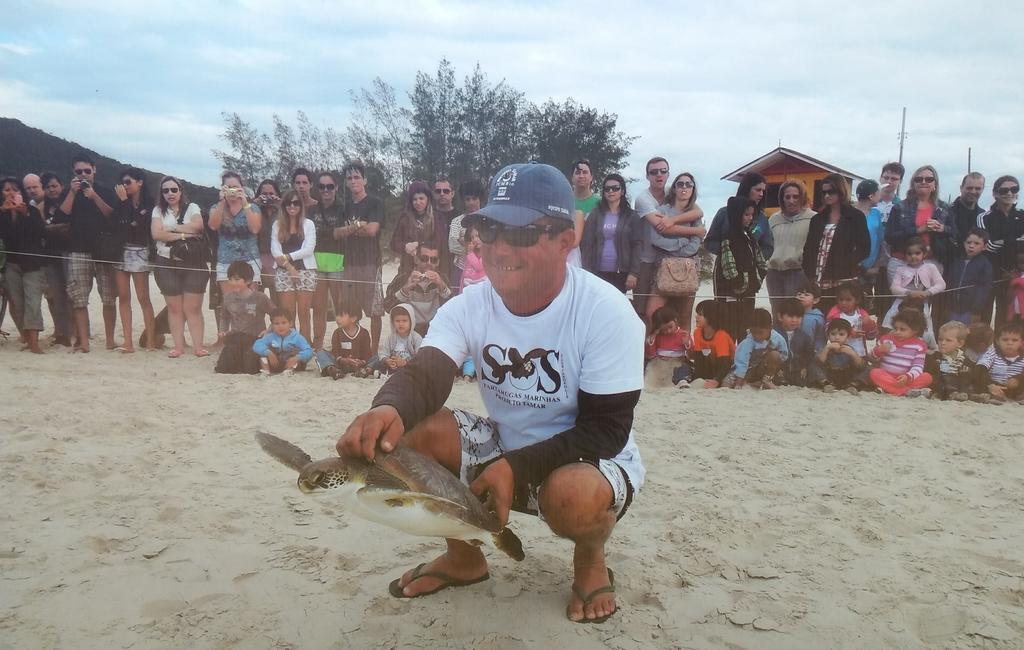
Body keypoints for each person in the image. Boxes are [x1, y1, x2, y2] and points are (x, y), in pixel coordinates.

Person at [336, 162, 644, 624]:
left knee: (572, 496)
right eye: (488, 228)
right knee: (407, 432)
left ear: (566, 241)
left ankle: (590, 559)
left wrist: (516, 468)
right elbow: (426, 376)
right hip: (504, 445)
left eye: (521, 232)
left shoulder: (607, 312)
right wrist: (385, 409)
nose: (499, 246)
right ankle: (464, 558)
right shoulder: (469, 305)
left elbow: (607, 430)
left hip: (589, 460)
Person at [59, 153, 117, 353]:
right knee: (79, 298)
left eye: (87, 171)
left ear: (94, 170)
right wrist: (72, 194)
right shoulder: (69, 192)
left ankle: (110, 340)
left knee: (109, 297)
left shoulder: (105, 191)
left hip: (104, 251)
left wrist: (94, 196)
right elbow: (61, 216)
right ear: (73, 173)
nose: (83, 175)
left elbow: (113, 216)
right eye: (79, 171)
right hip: (78, 249)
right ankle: (84, 342)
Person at [150, 176, 208, 358]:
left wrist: (171, 230)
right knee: (174, 307)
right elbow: (156, 234)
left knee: (193, 308)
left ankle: (198, 346)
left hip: (192, 261)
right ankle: (179, 346)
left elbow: (198, 226)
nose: (170, 193)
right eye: (165, 190)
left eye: (173, 189)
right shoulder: (158, 210)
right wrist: (184, 233)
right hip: (166, 261)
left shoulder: (192, 207)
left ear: (180, 191)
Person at [645, 172, 705, 331]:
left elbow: (697, 241)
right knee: (651, 314)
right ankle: (652, 351)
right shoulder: (662, 210)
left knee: (684, 317)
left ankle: (682, 354)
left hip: (687, 269)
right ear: (674, 188)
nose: (684, 187)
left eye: (688, 184)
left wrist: (680, 251)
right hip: (663, 269)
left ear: (693, 189)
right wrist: (680, 242)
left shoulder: (695, 214)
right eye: (680, 184)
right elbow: (655, 239)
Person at [801, 174, 870, 312]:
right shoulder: (817, 219)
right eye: (824, 192)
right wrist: (809, 273)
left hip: (844, 278)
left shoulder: (856, 216)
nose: (827, 195)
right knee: (820, 315)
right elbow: (809, 248)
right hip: (818, 277)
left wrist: (847, 263)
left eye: (831, 191)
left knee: (840, 319)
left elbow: (864, 248)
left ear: (840, 191)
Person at [341, 162, 386, 352]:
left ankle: (374, 348)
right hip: (349, 262)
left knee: (374, 310)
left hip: (370, 261)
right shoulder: (344, 206)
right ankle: (355, 347)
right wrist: (360, 226)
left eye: (357, 177)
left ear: (364, 180)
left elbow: (373, 230)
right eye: (350, 178)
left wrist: (353, 228)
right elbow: (340, 233)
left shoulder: (375, 203)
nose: (353, 181)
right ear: (346, 181)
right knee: (351, 309)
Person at [112, 167, 156, 352]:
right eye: (123, 182)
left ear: (140, 182)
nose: (125, 186)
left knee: (143, 297)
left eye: (128, 182)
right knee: (123, 296)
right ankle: (127, 342)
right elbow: (119, 223)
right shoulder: (121, 203)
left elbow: (139, 224)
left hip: (140, 250)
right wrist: (124, 204)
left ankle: (151, 341)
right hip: (121, 250)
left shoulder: (150, 203)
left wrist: (126, 204)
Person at [0, 177, 46, 353]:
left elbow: (40, 232)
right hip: (11, 263)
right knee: (17, 304)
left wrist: (24, 214)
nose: (11, 193)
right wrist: (4, 209)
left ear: (21, 192)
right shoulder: (2, 213)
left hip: (32, 263)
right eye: (6, 190)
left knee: (33, 303)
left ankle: (34, 343)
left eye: (15, 189)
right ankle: (25, 337)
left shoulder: (32, 211)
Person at [885, 165, 956, 273]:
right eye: (918, 179)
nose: (923, 182)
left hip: (932, 262)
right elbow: (889, 237)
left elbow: (955, 233)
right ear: (913, 184)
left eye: (929, 179)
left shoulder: (944, 208)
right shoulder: (899, 207)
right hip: (901, 262)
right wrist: (918, 230)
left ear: (935, 184)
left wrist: (942, 228)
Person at [713, 197, 766, 340]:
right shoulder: (728, 237)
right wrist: (738, 283)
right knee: (728, 330)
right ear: (736, 215)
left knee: (746, 329)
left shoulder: (749, 236)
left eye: (751, 215)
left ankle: (743, 359)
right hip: (731, 295)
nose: (750, 218)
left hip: (748, 295)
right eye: (746, 215)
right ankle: (728, 359)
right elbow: (727, 263)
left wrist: (758, 277)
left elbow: (759, 258)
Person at [580, 174, 642, 293]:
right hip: (597, 271)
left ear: (622, 191)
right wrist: (586, 271)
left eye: (615, 188)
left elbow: (637, 245)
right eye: (607, 189)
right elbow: (587, 244)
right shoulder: (595, 214)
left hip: (621, 272)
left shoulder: (631, 216)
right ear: (603, 192)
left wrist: (634, 273)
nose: (611, 191)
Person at [209, 170, 262, 307]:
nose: (232, 191)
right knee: (230, 305)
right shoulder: (216, 207)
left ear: (241, 188)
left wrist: (245, 202)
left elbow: (255, 228)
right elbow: (213, 226)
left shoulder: (253, 207)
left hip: (250, 262)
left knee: (250, 306)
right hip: (225, 261)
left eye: (235, 187)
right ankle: (232, 329)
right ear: (223, 189)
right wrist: (222, 201)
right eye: (229, 187)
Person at [271, 189, 317, 344]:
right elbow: (275, 251)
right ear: (284, 205)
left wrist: (288, 257)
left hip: (306, 271)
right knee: (288, 314)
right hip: (284, 272)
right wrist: (290, 267)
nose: (292, 206)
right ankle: (291, 345)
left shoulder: (308, 224)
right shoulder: (277, 225)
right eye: (288, 203)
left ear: (301, 206)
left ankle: (306, 345)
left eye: (296, 203)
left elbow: (308, 249)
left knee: (304, 313)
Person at [629, 157, 671, 319]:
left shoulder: (673, 193)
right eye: (654, 172)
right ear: (647, 176)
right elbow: (661, 226)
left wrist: (673, 220)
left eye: (663, 171)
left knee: (671, 311)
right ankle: (643, 344)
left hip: (669, 260)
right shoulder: (643, 199)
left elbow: (698, 211)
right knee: (642, 310)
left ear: (668, 174)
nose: (659, 175)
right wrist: (696, 231)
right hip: (645, 261)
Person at [978, 175, 1023, 324]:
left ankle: (1003, 348)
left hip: (1014, 275)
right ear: (995, 193)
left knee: (1008, 319)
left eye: (1014, 189)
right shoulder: (984, 217)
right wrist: (1015, 241)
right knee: (984, 316)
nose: (1009, 193)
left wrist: (1002, 241)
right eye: (1004, 190)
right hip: (989, 274)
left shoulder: (1022, 216)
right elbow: (987, 246)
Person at [766, 180, 815, 316]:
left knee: (794, 315)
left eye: (795, 196)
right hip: (774, 273)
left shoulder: (812, 218)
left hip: (797, 273)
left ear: (802, 197)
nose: (791, 200)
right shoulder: (773, 219)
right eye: (787, 197)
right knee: (778, 314)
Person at [883, 237, 946, 342]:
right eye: (909, 254)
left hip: (920, 304)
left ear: (924, 254)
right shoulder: (901, 269)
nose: (913, 256)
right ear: (905, 255)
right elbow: (894, 288)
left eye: (917, 253)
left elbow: (941, 284)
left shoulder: (930, 267)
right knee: (894, 329)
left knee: (923, 332)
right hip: (902, 303)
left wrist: (927, 292)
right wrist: (908, 293)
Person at [215, 260, 273, 375]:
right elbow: (224, 317)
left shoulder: (260, 297)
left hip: (255, 338)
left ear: (248, 281)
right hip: (235, 337)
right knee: (223, 369)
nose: (233, 283)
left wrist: (269, 330)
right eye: (230, 279)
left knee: (250, 369)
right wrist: (222, 331)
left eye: (237, 279)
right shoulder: (227, 298)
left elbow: (276, 315)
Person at [383, 242, 452, 336]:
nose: (429, 263)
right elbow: (387, 306)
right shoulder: (403, 278)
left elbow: (453, 309)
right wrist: (405, 288)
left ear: (438, 262)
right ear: (416, 259)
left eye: (434, 260)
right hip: (409, 330)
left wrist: (442, 285)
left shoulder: (442, 278)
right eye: (424, 259)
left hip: (434, 330)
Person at [309, 171, 344, 349]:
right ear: (318, 188)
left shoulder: (343, 208)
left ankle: (343, 341)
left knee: (340, 305)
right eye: (322, 186)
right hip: (316, 261)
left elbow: (345, 235)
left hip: (338, 261)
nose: (326, 190)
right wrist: (332, 234)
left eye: (330, 186)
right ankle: (318, 343)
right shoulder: (311, 210)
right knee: (319, 306)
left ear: (336, 187)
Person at [706, 172, 774, 261]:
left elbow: (768, 247)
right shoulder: (724, 213)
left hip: (752, 270)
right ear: (747, 189)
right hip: (726, 268)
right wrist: (729, 251)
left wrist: (752, 256)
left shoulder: (762, 218)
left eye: (763, 191)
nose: (761, 194)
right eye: (758, 190)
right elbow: (709, 242)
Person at [39, 172, 73, 346]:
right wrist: (54, 228)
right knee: (56, 296)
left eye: (54, 185)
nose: (52, 189)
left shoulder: (71, 200)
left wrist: (51, 227)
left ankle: (78, 331)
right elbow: (40, 229)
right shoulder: (42, 206)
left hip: (69, 252)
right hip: (50, 255)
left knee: (72, 293)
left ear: (61, 185)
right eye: (47, 187)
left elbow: (71, 226)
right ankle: (61, 332)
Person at [869, 308, 932, 397]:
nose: (897, 332)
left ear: (915, 330)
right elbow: (871, 358)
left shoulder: (919, 345)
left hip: (906, 378)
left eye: (902, 329)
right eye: (895, 328)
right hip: (886, 376)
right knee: (874, 373)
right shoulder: (886, 339)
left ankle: (891, 389)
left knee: (927, 377)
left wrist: (908, 377)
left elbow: (918, 367)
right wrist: (878, 350)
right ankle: (906, 391)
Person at [723, 308, 788, 389]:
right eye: (754, 332)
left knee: (775, 355)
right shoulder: (748, 342)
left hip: (765, 369)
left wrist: (774, 368)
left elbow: (784, 356)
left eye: (760, 333)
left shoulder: (778, 339)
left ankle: (767, 380)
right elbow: (742, 362)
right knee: (726, 384)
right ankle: (750, 382)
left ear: (770, 328)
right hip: (748, 370)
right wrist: (738, 383)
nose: (757, 336)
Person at [392, 180, 447, 276]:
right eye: (414, 199)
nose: (418, 202)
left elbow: (440, 243)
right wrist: (405, 247)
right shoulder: (404, 217)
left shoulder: (437, 217)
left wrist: (418, 244)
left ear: (428, 199)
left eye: (421, 198)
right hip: (407, 268)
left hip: (430, 267)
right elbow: (393, 243)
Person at [356, 303, 423, 378]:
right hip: (391, 365)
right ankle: (368, 369)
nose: (401, 324)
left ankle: (380, 373)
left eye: (404, 321)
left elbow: (419, 358)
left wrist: (405, 363)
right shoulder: (390, 337)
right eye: (397, 321)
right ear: (393, 322)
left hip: (407, 366)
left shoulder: (416, 338)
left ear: (411, 321)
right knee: (377, 357)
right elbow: (383, 353)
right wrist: (387, 360)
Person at [874, 162, 905, 318]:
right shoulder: (870, 203)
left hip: (889, 261)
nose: (890, 181)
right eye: (886, 177)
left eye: (894, 178)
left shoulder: (901, 206)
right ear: (880, 178)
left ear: (899, 182)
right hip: (868, 259)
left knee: (884, 302)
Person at [946, 228, 993, 325]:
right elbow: (949, 282)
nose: (971, 246)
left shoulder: (985, 264)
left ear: (984, 246)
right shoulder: (956, 261)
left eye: (976, 243)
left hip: (970, 310)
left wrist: (976, 310)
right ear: (964, 244)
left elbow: (983, 289)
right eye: (968, 242)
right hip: (953, 308)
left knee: (967, 335)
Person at [315, 303, 373, 380]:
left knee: (377, 358)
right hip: (340, 365)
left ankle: (365, 371)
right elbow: (335, 352)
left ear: (353, 318)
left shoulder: (364, 333)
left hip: (359, 366)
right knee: (320, 352)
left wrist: (361, 362)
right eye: (337, 315)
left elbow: (367, 353)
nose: (337, 318)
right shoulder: (337, 333)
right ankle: (333, 370)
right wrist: (344, 360)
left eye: (341, 316)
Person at [972, 320, 1024, 403]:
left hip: (1016, 388)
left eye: (1014, 340)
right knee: (979, 375)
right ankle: (990, 397)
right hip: (994, 386)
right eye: (1005, 340)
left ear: (1021, 342)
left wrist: (1018, 380)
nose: (1009, 343)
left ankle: (1020, 398)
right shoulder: (992, 353)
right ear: (997, 341)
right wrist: (990, 385)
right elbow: (980, 368)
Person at [811, 319, 867, 393]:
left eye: (841, 334)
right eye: (833, 334)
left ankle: (853, 385)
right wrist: (827, 349)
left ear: (848, 337)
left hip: (846, 377)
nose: (837, 337)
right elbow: (819, 363)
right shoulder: (826, 348)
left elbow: (860, 366)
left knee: (867, 367)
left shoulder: (849, 349)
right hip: (829, 377)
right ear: (828, 336)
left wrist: (853, 354)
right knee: (812, 365)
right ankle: (826, 384)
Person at [253, 307, 314, 376]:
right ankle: (266, 372)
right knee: (263, 356)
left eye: (284, 323)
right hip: (276, 363)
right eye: (276, 324)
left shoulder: (297, 337)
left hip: (292, 363)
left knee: (296, 355)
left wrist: (297, 357)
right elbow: (257, 344)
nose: (280, 326)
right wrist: (268, 353)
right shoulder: (271, 336)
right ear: (272, 325)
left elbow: (309, 351)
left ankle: (289, 371)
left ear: (290, 324)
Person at [688, 300, 734, 388]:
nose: (696, 316)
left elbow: (725, 363)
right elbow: (699, 358)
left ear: (712, 317)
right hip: (710, 364)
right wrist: (698, 377)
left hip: (728, 367)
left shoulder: (721, 336)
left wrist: (716, 380)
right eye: (697, 313)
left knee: (726, 382)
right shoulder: (697, 333)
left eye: (700, 315)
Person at [449, 180, 485, 290]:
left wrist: (463, 240)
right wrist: (475, 247)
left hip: (485, 268)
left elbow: (491, 243)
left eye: (474, 198)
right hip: (462, 269)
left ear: (480, 199)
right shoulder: (457, 221)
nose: (471, 202)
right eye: (467, 199)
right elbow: (452, 246)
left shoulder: (487, 219)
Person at [826, 281, 878, 359]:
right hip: (839, 353)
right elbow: (827, 332)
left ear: (857, 300)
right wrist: (849, 333)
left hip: (860, 353)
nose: (844, 303)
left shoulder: (862, 314)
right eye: (841, 299)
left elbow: (871, 336)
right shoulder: (834, 314)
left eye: (848, 300)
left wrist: (869, 324)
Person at [643, 306, 692, 387]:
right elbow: (650, 355)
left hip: (677, 362)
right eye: (664, 329)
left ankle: (682, 381)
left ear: (675, 321)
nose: (668, 331)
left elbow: (691, 355)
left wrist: (687, 344)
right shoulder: (657, 336)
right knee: (650, 369)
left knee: (684, 368)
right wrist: (652, 340)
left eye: (670, 327)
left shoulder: (683, 334)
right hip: (659, 362)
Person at [926, 321, 972, 401]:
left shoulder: (964, 359)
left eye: (948, 340)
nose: (942, 343)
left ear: (960, 343)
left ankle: (966, 395)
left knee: (966, 374)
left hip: (958, 386)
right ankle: (949, 394)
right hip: (940, 385)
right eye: (940, 339)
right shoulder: (934, 357)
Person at [774, 298, 813, 387]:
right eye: (790, 316)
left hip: (797, 369)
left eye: (798, 317)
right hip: (780, 369)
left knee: (803, 380)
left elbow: (809, 354)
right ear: (780, 317)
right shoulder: (774, 334)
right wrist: (776, 369)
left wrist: (805, 367)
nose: (794, 320)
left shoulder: (804, 336)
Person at [253, 179, 281, 300]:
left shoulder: (283, 211)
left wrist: (281, 207)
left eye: (271, 194)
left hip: (277, 259)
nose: (268, 197)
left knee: (278, 303)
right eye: (264, 194)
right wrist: (254, 205)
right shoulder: (254, 210)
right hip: (258, 258)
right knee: (255, 302)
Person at [855, 180, 884, 289]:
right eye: (878, 193)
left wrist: (876, 265)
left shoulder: (876, 214)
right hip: (853, 269)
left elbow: (880, 241)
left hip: (872, 268)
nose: (880, 196)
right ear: (871, 196)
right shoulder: (849, 214)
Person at [569, 159, 598, 268]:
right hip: (571, 258)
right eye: (577, 173)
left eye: (585, 172)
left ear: (591, 177)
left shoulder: (600, 203)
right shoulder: (564, 201)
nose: (581, 176)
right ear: (572, 178)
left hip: (593, 257)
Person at [951, 172, 986, 250]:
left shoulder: (984, 216)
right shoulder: (948, 213)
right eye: (969, 188)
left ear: (983, 189)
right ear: (961, 188)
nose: (973, 192)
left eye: (977, 188)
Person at [796, 279, 826, 353]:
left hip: (812, 351)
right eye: (799, 294)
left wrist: (818, 350)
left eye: (806, 295)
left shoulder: (818, 317)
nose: (801, 296)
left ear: (815, 300)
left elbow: (820, 337)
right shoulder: (792, 314)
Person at [460, 224, 486, 291]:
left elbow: (479, 267)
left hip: (480, 288)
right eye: (472, 237)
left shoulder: (486, 253)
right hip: (468, 288)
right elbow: (465, 273)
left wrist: (470, 253)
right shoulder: (472, 253)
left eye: (477, 236)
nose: (475, 239)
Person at [1008, 250, 1024, 322]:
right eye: (1020, 262)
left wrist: (1015, 280)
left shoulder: (1017, 277)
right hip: (1016, 310)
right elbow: (1010, 293)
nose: (1022, 265)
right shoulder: (1017, 274)